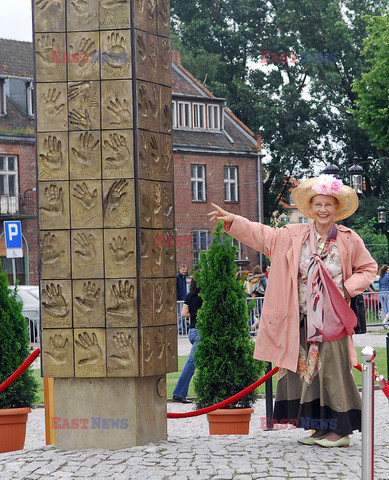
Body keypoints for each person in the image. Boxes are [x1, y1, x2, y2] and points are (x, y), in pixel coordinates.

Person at [208, 174, 377, 448]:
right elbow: (261, 235)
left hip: (332, 319)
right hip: (299, 319)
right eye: (318, 204)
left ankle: (340, 431)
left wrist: (346, 289)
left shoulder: (349, 239)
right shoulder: (291, 235)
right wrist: (233, 221)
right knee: (306, 374)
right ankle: (320, 428)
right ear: (309, 208)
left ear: (336, 209)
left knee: (333, 371)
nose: (323, 210)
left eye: (328, 205)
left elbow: (369, 268)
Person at [172, 278, 203, 403]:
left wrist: (194, 314)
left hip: (191, 332)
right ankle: (178, 393)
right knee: (191, 365)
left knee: (199, 363)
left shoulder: (190, 295)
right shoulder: (204, 296)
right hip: (200, 332)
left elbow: (184, 313)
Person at [249, 265, 266, 330]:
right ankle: (255, 325)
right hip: (261, 297)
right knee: (262, 314)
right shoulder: (261, 277)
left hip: (253, 297)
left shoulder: (251, 278)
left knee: (253, 314)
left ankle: (253, 327)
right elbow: (265, 286)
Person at [176, 264, 187, 335]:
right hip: (179, 299)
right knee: (180, 315)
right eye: (183, 269)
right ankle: (180, 330)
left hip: (183, 299)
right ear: (179, 269)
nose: (184, 271)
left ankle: (184, 329)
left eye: (185, 269)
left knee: (183, 315)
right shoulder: (177, 277)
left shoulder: (184, 277)